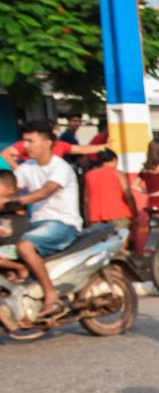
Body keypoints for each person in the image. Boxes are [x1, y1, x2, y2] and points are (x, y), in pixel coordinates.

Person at [10, 120, 84, 318]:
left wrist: (12, 201)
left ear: (47, 143)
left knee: (24, 247)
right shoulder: (27, 167)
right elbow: (10, 186)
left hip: (63, 224)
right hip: (36, 225)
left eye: (30, 141)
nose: (24, 146)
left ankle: (51, 295)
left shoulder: (60, 168)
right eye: (24, 141)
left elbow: (43, 193)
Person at [83, 148, 137, 231]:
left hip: (96, 217)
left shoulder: (89, 175)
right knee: (121, 241)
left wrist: (87, 219)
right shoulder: (118, 173)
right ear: (114, 160)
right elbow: (128, 195)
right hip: (119, 214)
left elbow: (86, 200)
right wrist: (135, 214)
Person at [0, 171, 35, 282]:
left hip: (14, 247)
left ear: (11, 189)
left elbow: (9, 204)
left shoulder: (17, 203)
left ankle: (20, 267)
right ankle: (10, 272)